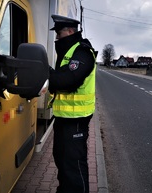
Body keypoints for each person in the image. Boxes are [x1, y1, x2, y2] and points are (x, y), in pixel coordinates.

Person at [48, 14, 97, 193]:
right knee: (62, 160)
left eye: (59, 34)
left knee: (73, 165)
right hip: (63, 117)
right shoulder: (69, 51)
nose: (57, 38)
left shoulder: (82, 52)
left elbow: (68, 80)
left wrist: (45, 72)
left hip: (76, 119)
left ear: (69, 31)